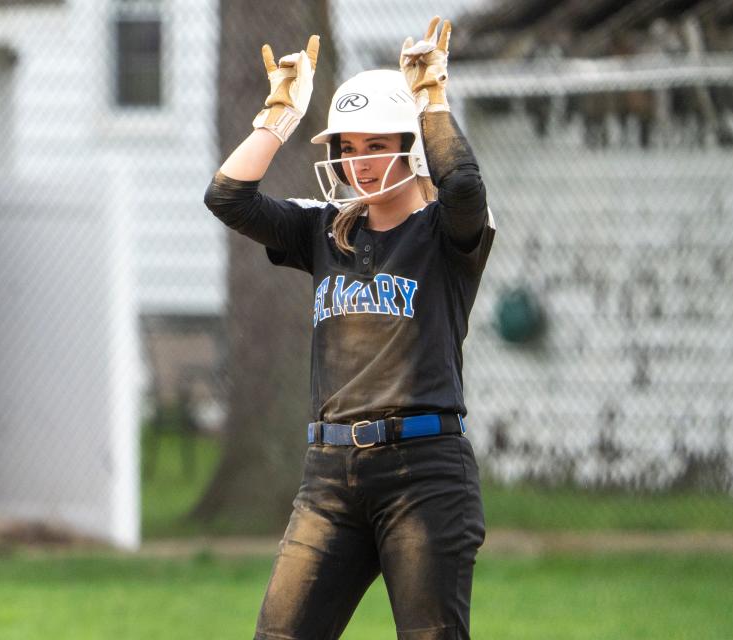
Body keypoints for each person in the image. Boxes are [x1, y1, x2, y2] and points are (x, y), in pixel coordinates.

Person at [204, 17, 494, 640]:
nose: (360, 163)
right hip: (329, 475)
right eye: (348, 148)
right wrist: (280, 116)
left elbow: (463, 184)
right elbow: (228, 196)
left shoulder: (445, 233)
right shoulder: (326, 229)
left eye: (377, 144)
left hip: (424, 471)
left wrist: (431, 102)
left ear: (411, 145)